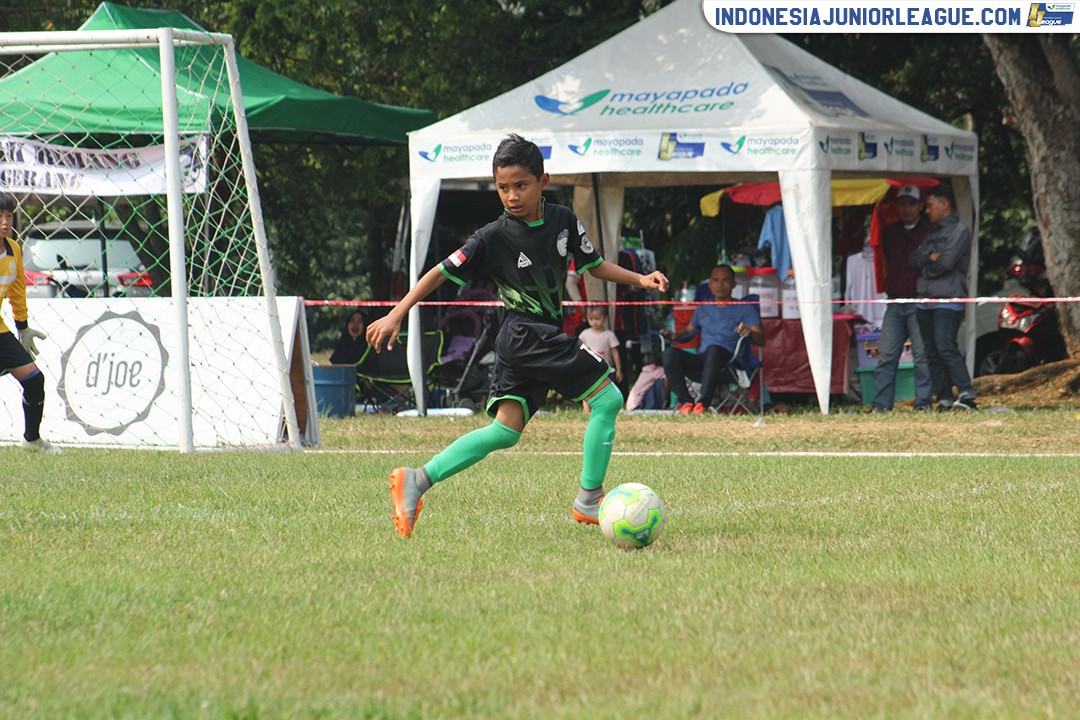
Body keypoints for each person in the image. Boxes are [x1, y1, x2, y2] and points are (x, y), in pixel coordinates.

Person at [366, 134, 669, 538]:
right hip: (526, 333)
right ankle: (589, 498)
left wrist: (640, 279)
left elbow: (594, 266)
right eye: (502, 187)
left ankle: (417, 480)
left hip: (529, 336)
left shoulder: (563, 220)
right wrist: (397, 312)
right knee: (608, 398)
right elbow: (438, 272)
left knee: (505, 431)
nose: (511, 196)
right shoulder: (492, 236)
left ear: (543, 181)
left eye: (520, 185)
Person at [0, 194, 61, 453]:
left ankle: (32, 440)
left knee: (35, 380)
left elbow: (16, 291)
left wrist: (22, 327)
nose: (5, 222)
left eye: (9, 216)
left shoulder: (13, 249)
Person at [661, 264, 764, 415]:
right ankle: (686, 401)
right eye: (716, 280)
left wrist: (749, 332)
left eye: (725, 280)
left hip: (730, 364)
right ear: (710, 285)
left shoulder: (745, 308)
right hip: (703, 361)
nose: (720, 285)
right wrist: (675, 335)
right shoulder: (704, 307)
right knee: (669, 353)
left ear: (734, 284)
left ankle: (703, 403)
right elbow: (688, 330)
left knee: (714, 350)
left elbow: (762, 339)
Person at [909, 183, 977, 411]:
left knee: (945, 345)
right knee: (931, 351)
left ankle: (966, 391)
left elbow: (947, 263)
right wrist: (930, 257)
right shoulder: (931, 233)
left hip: (948, 300)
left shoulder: (960, 231)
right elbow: (913, 260)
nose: (926, 211)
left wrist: (927, 263)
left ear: (944, 204)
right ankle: (944, 397)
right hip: (925, 301)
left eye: (929, 205)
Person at [870, 185, 933, 412]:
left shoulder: (929, 232)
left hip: (918, 301)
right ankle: (881, 405)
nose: (906, 209)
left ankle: (923, 404)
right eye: (902, 204)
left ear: (920, 206)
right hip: (895, 302)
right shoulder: (890, 233)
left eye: (911, 204)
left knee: (922, 356)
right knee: (886, 355)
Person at [578, 305, 622, 413]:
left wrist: (619, 369)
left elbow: (615, 353)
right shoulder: (584, 334)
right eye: (591, 319)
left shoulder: (609, 335)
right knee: (587, 391)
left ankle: (605, 409)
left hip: (606, 369)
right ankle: (586, 412)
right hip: (588, 369)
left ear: (605, 317)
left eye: (597, 319)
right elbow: (578, 350)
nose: (594, 322)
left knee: (606, 390)